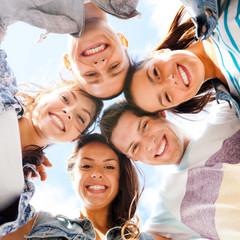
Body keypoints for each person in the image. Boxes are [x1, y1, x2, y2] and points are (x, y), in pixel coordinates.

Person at [100, 100, 240, 239]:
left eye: (144, 126)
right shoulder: (169, 201)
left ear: (160, 113)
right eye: (135, 147)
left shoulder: (225, 114)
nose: (149, 144)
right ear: (134, 158)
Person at [0, 49, 103, 218]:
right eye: (65, 99)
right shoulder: (3, 83)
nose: (68, 112)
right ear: (43, 95)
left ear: (74, 138)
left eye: (80, 118)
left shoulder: (19, 190)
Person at [1, 133, 160, 240]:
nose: (96, 173)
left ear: (121, 178)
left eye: (109, 167)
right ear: (73, 177)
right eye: (86, 166)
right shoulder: (40, 223)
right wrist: (22, 158)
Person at [0, 0, 140, 99]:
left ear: (68, 62)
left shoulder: (26, 10)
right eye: (114, 66)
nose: (101, 65)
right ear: (122, 41)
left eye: (91, 75)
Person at [123, 2, 240, 115]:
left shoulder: (210, 8)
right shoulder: (237, 96)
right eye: (167, 97)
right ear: (179, 103)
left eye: (156, 73)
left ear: (159, 53)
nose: (171, 81)